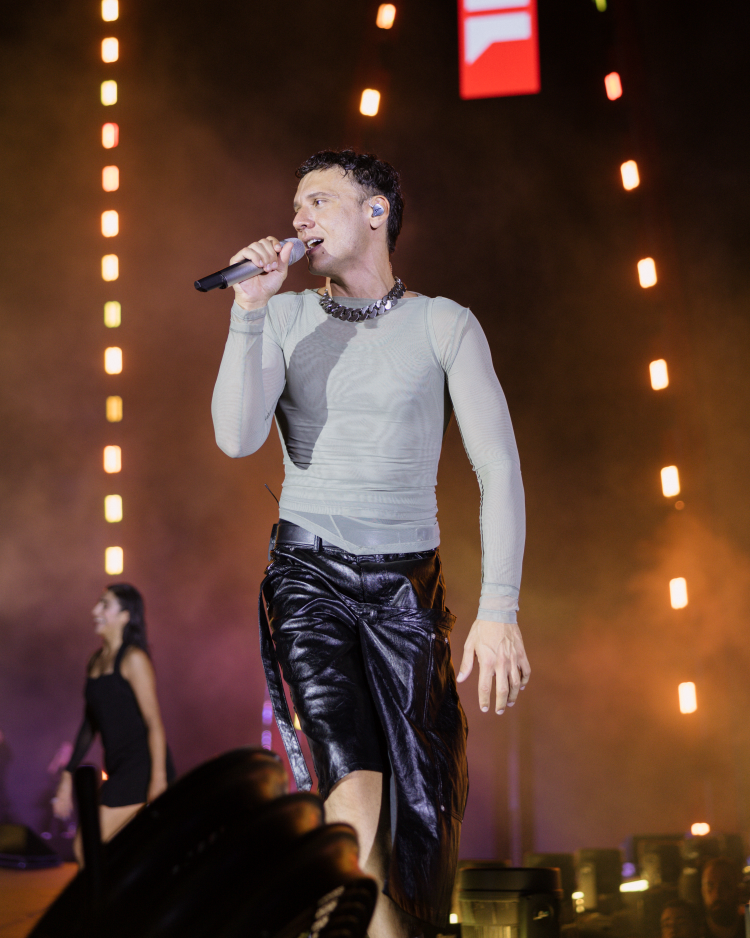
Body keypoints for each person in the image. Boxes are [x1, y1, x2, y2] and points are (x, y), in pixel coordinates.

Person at [211, 149, 530, 937]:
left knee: (418, 816)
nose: (299, 219)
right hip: (309, 577)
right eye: (295, 206)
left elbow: (499, 469)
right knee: (351, 788)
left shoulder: (443, 323)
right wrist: (248, 311)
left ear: (376, 211)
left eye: (318, 201)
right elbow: (236, 438)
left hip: (406, 591)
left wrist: (499, 608)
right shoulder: (285, 315)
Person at [52, 583, 174, 861]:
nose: (95, 611)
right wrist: (67, 775)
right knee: (123, 854)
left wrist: (158, 780)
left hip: (142, 768)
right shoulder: (95, 661)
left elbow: (154, 723)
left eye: (104, 605)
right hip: (119, 768)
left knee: (85, 848)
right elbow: (89, 725)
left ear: (125, 616)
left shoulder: (134, 659)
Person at [701, 857, 745, 938]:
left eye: (725, 886)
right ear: (703, 891)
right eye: (710, 886)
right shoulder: (695, 932)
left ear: (738, 891)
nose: (717, 893)